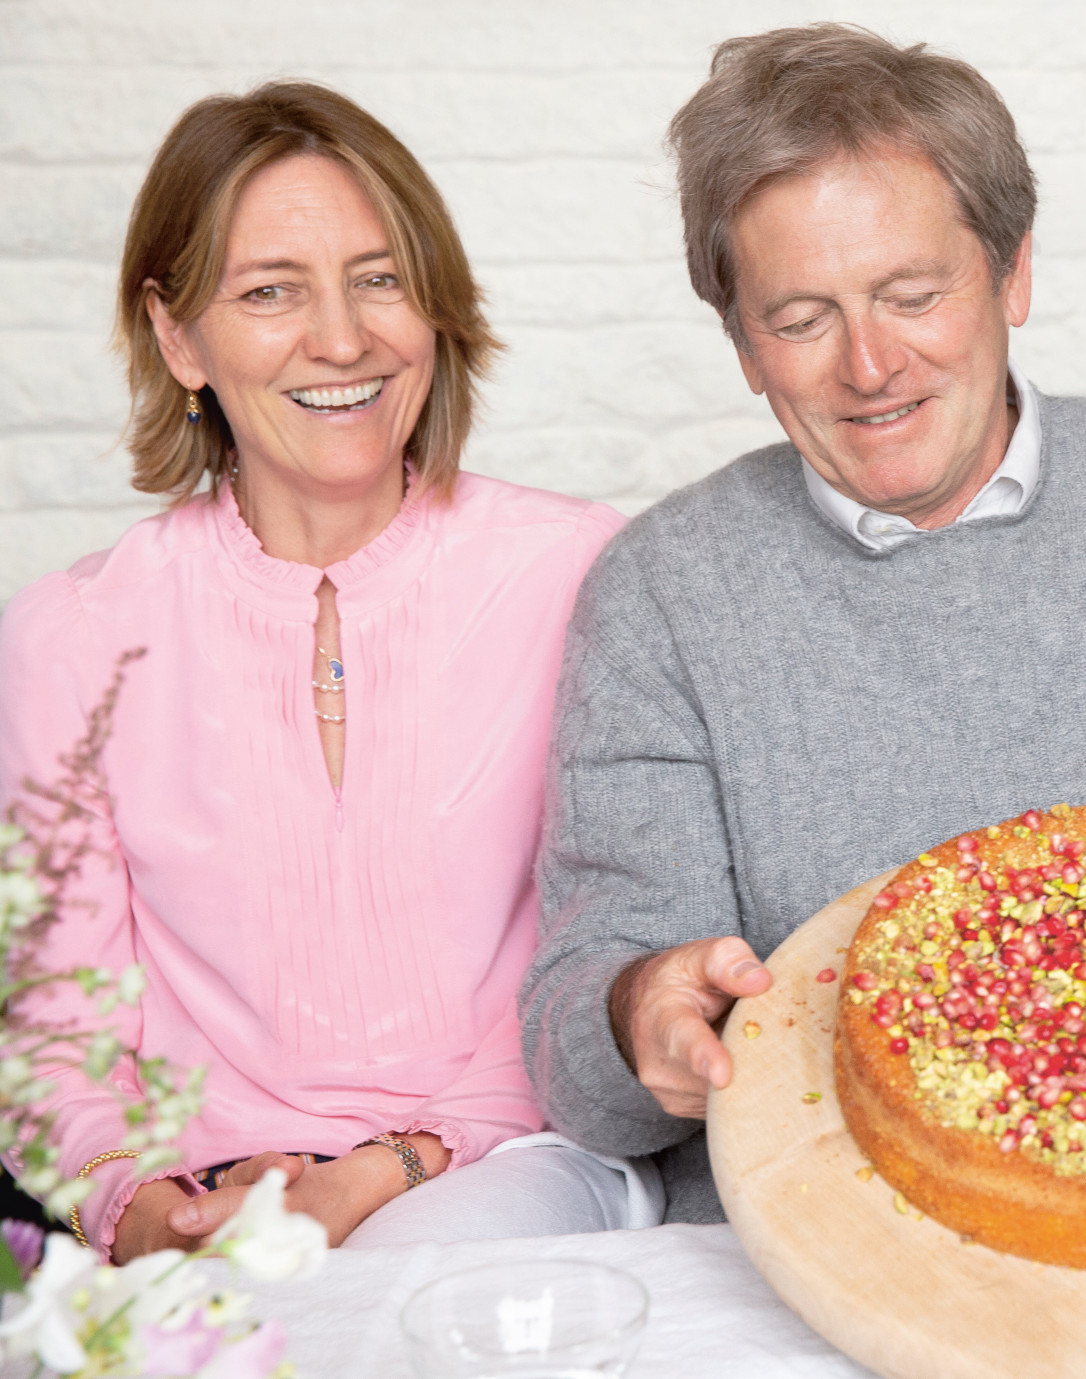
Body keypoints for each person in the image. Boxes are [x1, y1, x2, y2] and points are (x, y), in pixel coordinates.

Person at [521, 23, 1086, 1219]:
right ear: (739, 345)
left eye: (911, 295)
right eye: (802, 319)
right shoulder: (660, 592)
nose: (871, 365)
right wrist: (638, 1008)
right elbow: (579, 1041)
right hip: (815, 1237)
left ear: (1011, 272)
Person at [0, 82, 634, 1261]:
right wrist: (137, 1210)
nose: (342, 339)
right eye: (269, 291)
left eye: (380, 277)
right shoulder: (70, 636)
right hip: (200, 1188)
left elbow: (609, 949)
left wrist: (389, 1168)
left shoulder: (579, 572)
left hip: (508, 1164)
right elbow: (52, 1039)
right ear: (177, 336)